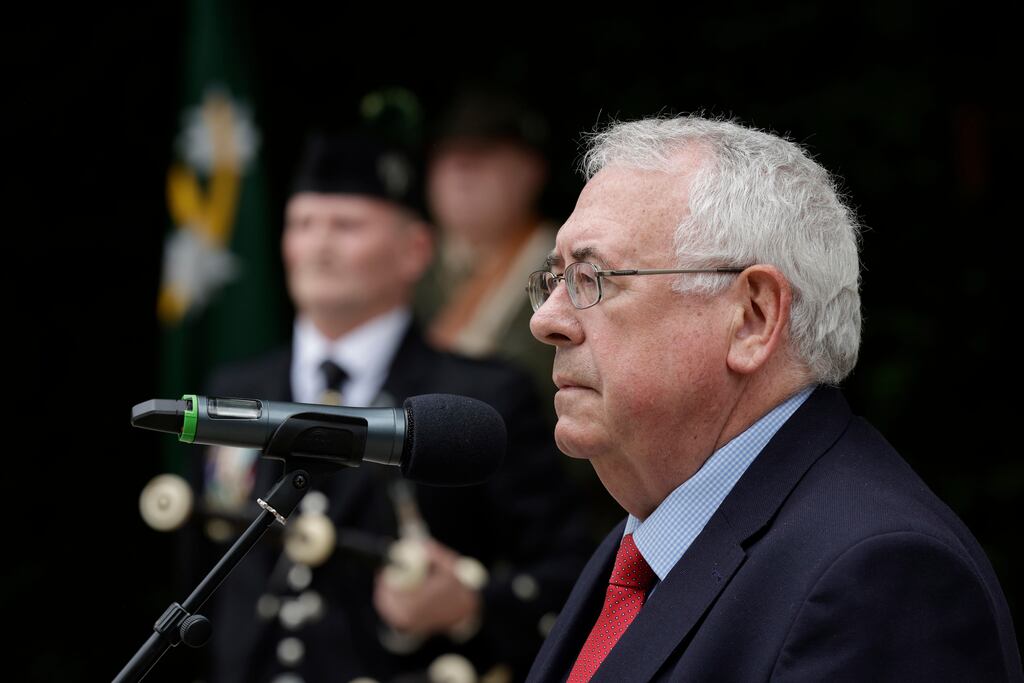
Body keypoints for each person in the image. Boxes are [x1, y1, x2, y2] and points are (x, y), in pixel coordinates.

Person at [524, 116, 1022, 681]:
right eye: (554, 279)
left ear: (753, 318)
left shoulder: (876, 576)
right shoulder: (649, 541)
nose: (547, 321)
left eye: (593, 277)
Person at [196, 132, 591, 683]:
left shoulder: (480, 398)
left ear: (415, 251)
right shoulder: (236, 388)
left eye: (347, 226)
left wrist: (469, 604)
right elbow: (203, 574)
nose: (318, 246)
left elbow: (572, 575)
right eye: (303, 224)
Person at [417, 88, 556, 407]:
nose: (461, 173)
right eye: (447, 157)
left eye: (483, 156)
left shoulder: (569, 263)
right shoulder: (411, 268)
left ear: (530, 171)